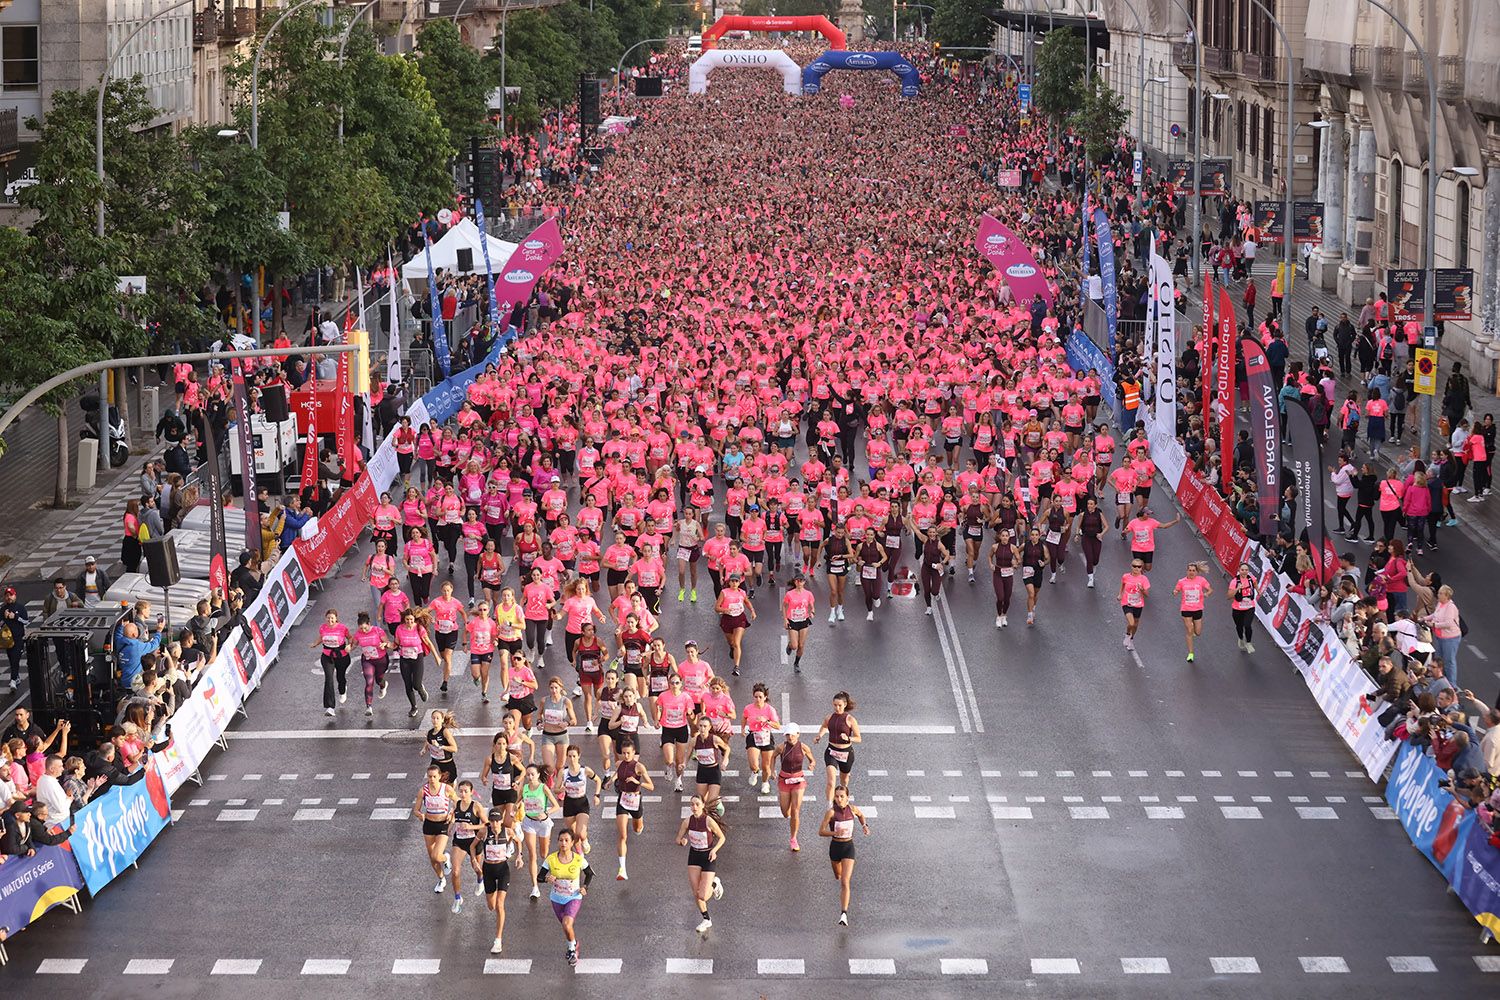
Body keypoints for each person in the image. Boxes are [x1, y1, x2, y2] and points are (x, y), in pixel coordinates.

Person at [537, 828, 592, 966]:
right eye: (561, 840)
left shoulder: (578, 859)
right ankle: (573, 943)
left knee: (567, 924)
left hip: (574, 897)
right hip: (556, 899)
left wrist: (585, 887)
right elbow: (539, 877)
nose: (563, 843)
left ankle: (572, 950)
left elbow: (589, 873)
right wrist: (547, 879)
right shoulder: (551, 859)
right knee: (566, 927)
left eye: (567, 840)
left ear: (572, 842)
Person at [817, 784, 871, 926]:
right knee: (838, 876)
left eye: (842, 796)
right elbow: (821, 832)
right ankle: (841, 887)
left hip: (848, 847)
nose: (839, 799)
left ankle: (843, 914)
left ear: (847, 797)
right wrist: (835, 833)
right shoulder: (831, 813)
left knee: (845, 881)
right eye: (837, 796)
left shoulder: (852, 809)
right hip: (835, 847)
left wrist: (864, 826)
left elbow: (861, 815)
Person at [675, 794, 726, 934]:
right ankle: (706, 919)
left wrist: (714, 850)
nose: (694, 807)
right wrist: (682, 842)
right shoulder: (687, 822)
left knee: (703, 895)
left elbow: (722, 838)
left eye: (697, 804)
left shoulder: (708, 821)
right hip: (694, 856)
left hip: (708, 856)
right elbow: (678, 838)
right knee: (696, 893)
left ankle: (714, 884)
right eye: (692, 804)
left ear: (703, 805)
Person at [611, 738, 655, 880]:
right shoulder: (619, 764)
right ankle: (622, 869)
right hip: (623, 799)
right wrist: (610, 781)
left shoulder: (639, 767)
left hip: (635, 800)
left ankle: (639, 825)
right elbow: (617, 773)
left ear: (634, 752)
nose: (626, 756)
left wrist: (638, 782)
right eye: (624, 753)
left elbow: (651, 786)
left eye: (628, 753)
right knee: (622, 835)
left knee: (637, 829)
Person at [476, 809, 518, 954]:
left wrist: (519, 856)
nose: (494, 824)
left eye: (497, 821)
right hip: (488, 870)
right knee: (491, 906)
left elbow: (519, 841)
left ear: (501, 821)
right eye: (492, 821)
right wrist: (474, 861)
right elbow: (473, 846)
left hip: (502, 870)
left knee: (500, 905)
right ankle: (483, 884)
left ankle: (498, 940)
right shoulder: (483, 832)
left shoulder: (508, 831)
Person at [411, 764, 457, 895]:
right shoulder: (423, 791)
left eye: (434, 776)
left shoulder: (446, 789)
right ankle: (441, 879)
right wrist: (420, 815)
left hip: (443, 824)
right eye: (429, 776)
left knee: (437, 855)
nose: (431, 779)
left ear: (440, 776)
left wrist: (452, 814)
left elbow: (458, 803)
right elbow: (416, 810)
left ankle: (446, 858)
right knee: (432, 858)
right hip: (429, 825)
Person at [772, 723, 814, 852]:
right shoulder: (781, 747)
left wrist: (811, 765)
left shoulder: (804, 747)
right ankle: (788, 806)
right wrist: (772, 770)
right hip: (784, 780)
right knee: (786, 813)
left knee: (795, 811)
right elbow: (773, 757)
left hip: (798, 780)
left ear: (798, 734)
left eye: (792, 734)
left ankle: (793, 838)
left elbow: (812, 760)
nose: (790, 737)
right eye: (788, 735)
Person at [814, 692, 861, 805]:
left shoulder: (850, 719)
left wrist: (848, 738)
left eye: (839, 705)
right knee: (831, 782)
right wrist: (819, 736)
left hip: (846, 753)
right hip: (831, 752)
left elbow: (859, 738)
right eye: (835, 705)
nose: (837, 708)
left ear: (845, 705)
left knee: (844, 781)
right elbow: (824, 726)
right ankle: (830, 806)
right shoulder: (829, 717)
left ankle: (843, 799)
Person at [309, 609, 352, 717]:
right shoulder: (323, 627)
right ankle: (330, 707)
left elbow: (350, 637)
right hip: (327, 656)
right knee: (329, 679)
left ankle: (342, 690)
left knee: (340, 677)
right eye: (328, 618)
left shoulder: (342, 628)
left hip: (341, 656)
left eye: (332, 618)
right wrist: (315, 643)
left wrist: (349, 645)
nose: (330, 620)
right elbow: (321, 637)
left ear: (336, 618)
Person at [1173, 563, 1213, 663]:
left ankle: (1194, 627)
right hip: (1186, 609)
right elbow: (1176, 589)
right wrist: (1175, 592)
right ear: (1187, 571)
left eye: (1193, 570)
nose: (1191, 572)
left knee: (1198, 632)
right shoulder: (1181, 581)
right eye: (1189, 570)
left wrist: (1207, 593)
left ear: (1197, 572)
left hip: (1197, 609)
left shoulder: (1201, 580)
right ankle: (1191, 653)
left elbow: (1210, 589)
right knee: (1189, 631)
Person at [780, 573, 815, 671]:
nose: (799, 583)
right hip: (793, 621)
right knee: (795, 646)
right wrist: (785, 619)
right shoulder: (789, 594)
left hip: (804, 621)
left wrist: (812, 611)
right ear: (795, 582)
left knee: (801, 645)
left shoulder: (808, 594)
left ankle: (796, 663)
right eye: (797, 581)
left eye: (801, 581)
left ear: (804, 582)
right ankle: (790, 645)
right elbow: (784, 606)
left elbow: (812, 605)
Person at [1118, 557, 1151, 651]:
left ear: (1141, 568)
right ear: (1131, 566)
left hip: (1138, 604)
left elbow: (1147, 595)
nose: (1136, 568)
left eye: (1139, 567)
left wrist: (1142, 590)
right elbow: (1122, 584)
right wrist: (1120, 594)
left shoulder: (1144, 579)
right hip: (1127, 603)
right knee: (1131, 623)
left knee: (1135, 624)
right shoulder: (1126, 576)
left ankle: (1131, 639)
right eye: (1134, 566)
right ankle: (1127, 634)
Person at [1227, 564, 1257, 653]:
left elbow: (1255, 584)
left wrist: (1259, 591)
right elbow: (1229, 596)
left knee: (1247, 625)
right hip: (1237, 609)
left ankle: (1248, 643)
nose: (1244, 572)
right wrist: (1237, 589)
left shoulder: (1251, 579)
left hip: (1250, 607)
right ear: (1239, 571)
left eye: (1246, 570)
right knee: (1239, 626)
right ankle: (1240, 638)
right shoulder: (1234, 582)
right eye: (1242, 570)